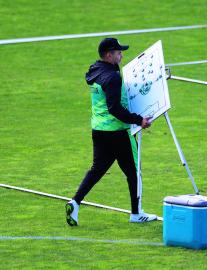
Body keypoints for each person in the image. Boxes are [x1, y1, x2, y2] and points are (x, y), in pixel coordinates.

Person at [65, 37, 157, 226]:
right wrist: (139, 120)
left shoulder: (95, 70)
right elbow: (115, 108)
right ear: (109, 55)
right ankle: (136, 213)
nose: (121, 55)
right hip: (118, 133)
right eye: (118, 53)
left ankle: (74, 202)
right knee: (134, 172)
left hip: (99, 130)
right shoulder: (113, 78)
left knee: (97, 170)